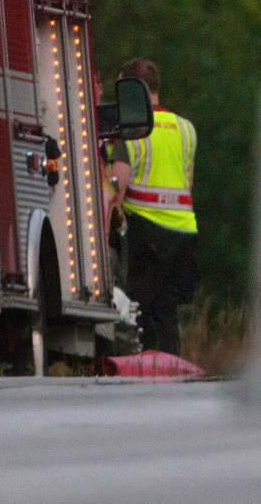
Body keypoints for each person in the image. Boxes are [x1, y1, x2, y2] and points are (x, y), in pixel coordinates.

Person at [109, 58, 198, 355]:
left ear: (134, 90)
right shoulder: (186, 129)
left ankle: (142, 376)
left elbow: (116, 192)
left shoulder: (131, 134)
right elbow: (187, 185)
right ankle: (172, 371)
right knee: (168, 313)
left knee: (139, 311)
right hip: (184, 233)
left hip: (147, 235)